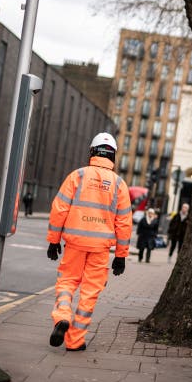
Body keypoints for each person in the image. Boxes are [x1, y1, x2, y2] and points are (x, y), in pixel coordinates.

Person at [46, 132, 132, 351]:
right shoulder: (119, 185)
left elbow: (60, 209)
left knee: (66, 283)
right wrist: (121, 256)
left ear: (92, 152)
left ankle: (62, 316)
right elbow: (124, 223)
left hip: (74, 244)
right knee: (89, 293)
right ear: (113, 156)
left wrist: (54, 240)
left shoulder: (78, 176)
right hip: (100, 248)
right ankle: (75, 341)